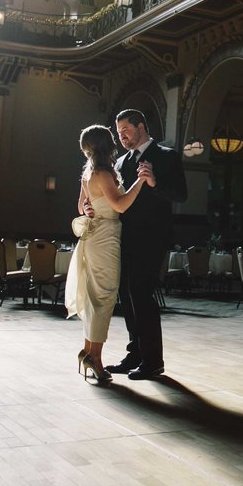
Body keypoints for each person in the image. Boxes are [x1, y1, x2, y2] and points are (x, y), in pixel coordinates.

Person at [88, 109, 187, 380]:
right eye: (118, 133)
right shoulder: (120, 162)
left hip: (153, 237)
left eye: (126, 131)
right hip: (122, 237)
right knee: (126, 296)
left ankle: (153, 360)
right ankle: (136, 353)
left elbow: (181, 194)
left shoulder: (166, 156)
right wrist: (90, 204)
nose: (122, 137)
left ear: (140, 126)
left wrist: (154, 182)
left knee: (142, 295)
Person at [66, 124, 154, 385]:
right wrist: (140, 181)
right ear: (107, 145)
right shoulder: (103, 174)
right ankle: (95, 358)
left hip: (95, 236)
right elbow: (120, 205)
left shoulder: (88, 174)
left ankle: (88, 350)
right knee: (104, 296)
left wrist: (87, 206)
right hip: (104, 238)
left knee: (95, 295)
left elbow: (81, 206)